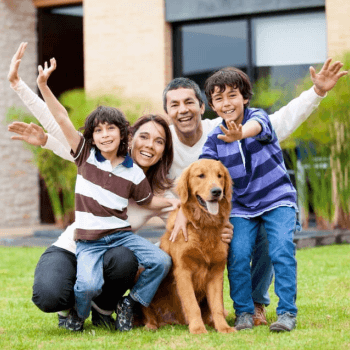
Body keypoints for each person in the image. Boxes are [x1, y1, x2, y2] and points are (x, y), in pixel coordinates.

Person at [8, 42, 347, 328]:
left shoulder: (212, 138)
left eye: (158, 141)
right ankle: (83, 305)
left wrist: (316, 92)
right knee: (53, 292)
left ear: (203, 107)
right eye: (173, 106)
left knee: (145, 256)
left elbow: (276, 123)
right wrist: (27, 99)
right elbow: (66, 133)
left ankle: (251, 305)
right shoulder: (114, 159)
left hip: (117, 249)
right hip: (77, 244)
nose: (150, 145)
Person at [34, 57, 182, 332]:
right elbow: (62, 119)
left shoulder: (134, 172)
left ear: (123, 133)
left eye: (110, 128)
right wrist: (43, 86)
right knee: (88, 284)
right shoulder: (85, 157)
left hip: (120, 237)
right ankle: (77, 314)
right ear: (91, 137)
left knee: (161, 261)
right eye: (98, 130)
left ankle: (131, 302)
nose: (104, 135)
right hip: (88, 241)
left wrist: (176, 202)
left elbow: (147, 201)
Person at [199, 66, 300, 332]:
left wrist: (240, 133)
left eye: (232, 95)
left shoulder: (258, 117)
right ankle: (243, 312)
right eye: (219, 98)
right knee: (239, 254)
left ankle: (287, 312)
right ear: (212, 105)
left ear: (244, 98)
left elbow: (257, 127)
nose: (226, 103)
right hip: (242, 206)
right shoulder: (213, 139)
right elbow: (204, 171)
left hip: (277, 198)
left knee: (280, 249)